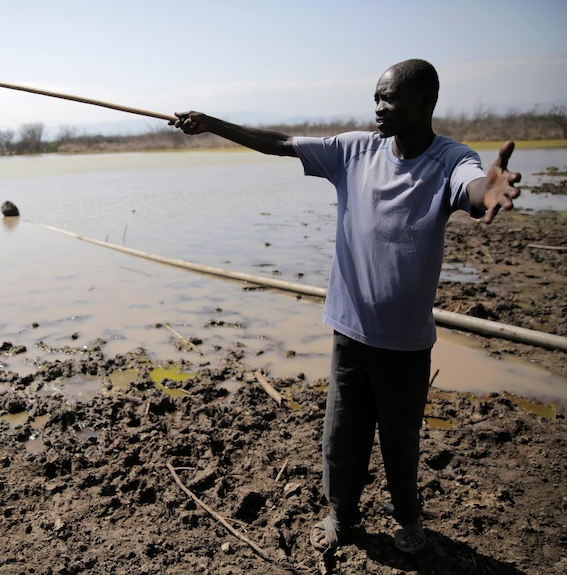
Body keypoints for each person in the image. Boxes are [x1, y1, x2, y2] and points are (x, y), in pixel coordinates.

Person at [171, 59, 521, 554]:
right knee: (341, 434)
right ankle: (342, 515)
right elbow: (280, 142)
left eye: (390, 99)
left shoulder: (450, 159)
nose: (378, 108)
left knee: (401, 440)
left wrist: (492, 191)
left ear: (426, 102)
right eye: (375, 98)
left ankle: (409, 518)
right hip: (350, 331)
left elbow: (473, 188)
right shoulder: (354, 151)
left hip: (405, 342)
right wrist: (211, 124)